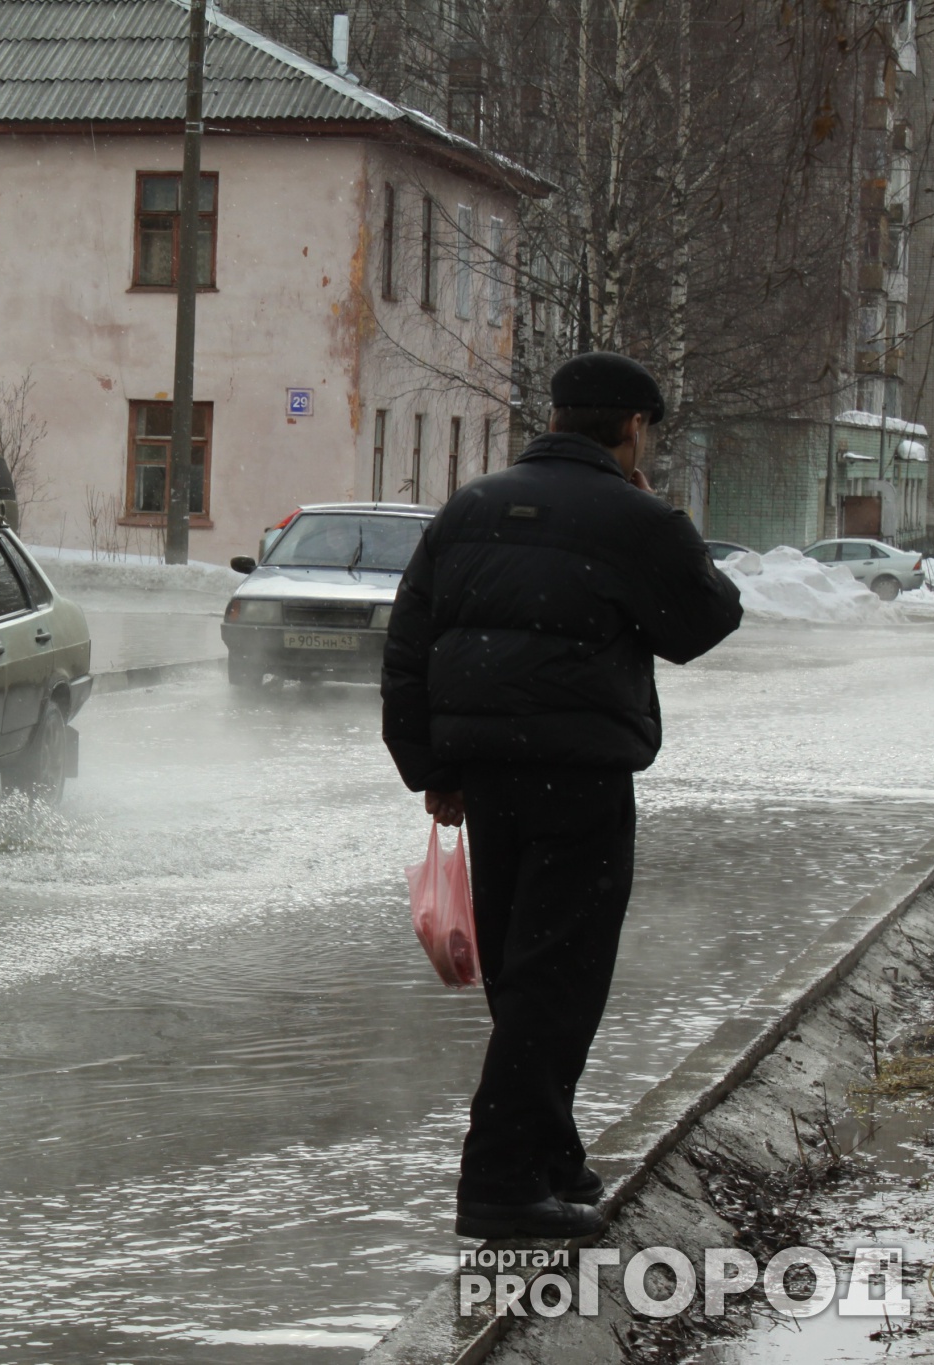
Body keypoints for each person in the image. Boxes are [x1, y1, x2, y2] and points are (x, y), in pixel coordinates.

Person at [380, 353, 744, 1241]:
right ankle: (501, 1181)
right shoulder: (632, 515)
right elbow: (704, 620)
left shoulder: (470, 506)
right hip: (578, 777)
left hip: (489, 777)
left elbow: (408, 642)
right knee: (560, 976)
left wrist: (430, 768)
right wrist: (668, 517)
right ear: (632, 430)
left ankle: (548, 1153)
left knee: (521, 970)